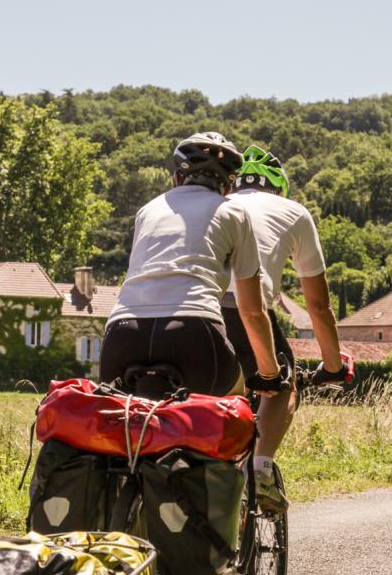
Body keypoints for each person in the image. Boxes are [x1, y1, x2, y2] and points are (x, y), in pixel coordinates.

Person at [100, 132, 287, 399]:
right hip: (194, 333)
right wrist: (269, 375)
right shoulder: (234, 212)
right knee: (238, 399)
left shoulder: (147, 210)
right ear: (228, 188)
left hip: (122, 335)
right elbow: (252, 310)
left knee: (123, 420)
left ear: (176, 178)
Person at [223, 146, 345, 512]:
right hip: (250, 313)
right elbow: (318, 307)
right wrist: (334, 366)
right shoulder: (294, 212)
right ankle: (260, 468)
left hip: (197, 312)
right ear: (279, 188)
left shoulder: (218, 206)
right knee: (281, 388)